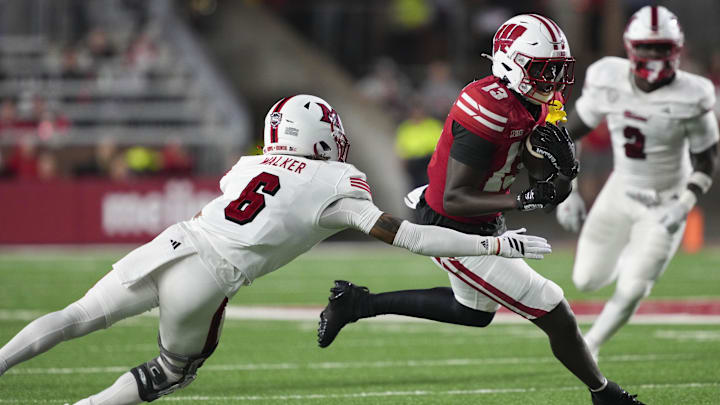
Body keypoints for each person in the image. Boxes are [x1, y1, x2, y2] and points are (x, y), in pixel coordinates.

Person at [0, 94, 551, 404]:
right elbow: (410, 237)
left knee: (76, 316)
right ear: (320, 136)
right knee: (172, 372)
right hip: (211, 276)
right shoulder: (339, 180)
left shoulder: (250, 163)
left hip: (171, 242)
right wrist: (495, 243)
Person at [317, 14, 645, 405]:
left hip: (484, 219)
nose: (553, 81)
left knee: (473, 312)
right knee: (554, 308)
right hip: (451, 226)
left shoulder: (541, 99)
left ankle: (356, 303)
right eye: (543, 70)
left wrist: (560, 172)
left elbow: (539, 174)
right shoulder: (486, 105)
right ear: (510, 62)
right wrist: (526, 198)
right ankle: (605, 394)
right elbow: (457, 196)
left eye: (557, 70)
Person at [554, 5, 718, 361]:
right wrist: (568, 190)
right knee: (586, 280)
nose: (654, 56)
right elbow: (570, 134)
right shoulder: (608, 78)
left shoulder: (695, 93)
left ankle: (589, 346)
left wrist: (685, 203)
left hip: (666, 202)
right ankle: (633, 252)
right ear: (630, 46)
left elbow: (708, 159)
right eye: (647, 46)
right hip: (620, 190)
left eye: (662, 47)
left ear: (677, 48)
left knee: (632, 287)